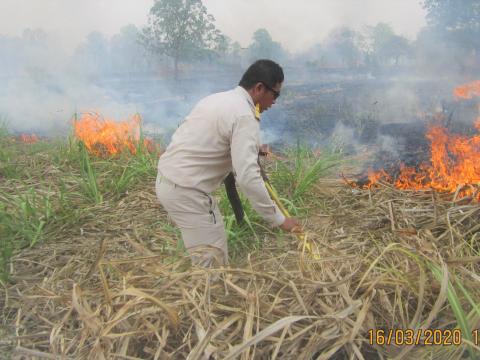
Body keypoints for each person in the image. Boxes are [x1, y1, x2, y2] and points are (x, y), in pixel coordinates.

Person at [155, 59, 301, 267]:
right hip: (187, 192)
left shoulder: (217, 99)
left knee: (205, 251)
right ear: (259, 88)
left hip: (168, 181)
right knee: (211, 262)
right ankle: (208, 294)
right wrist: (279, 219)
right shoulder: (244, 116)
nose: (275, 102)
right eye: (275, 94)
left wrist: (251, 148)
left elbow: (211, 137)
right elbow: (248, 178)